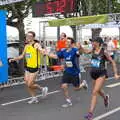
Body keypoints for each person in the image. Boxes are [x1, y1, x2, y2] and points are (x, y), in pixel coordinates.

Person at [78, 37, 119, 120]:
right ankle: (105, 97)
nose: (92, 43)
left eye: (94, 41)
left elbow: (113, 62)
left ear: (98, 43)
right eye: (92, 41)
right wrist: (80, 48)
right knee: (98, 90)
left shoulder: (104, 51)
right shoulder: (92, 50)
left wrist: (115, 74)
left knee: (94, 92)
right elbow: (85, 52)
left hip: (101, 73)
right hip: (93, 73)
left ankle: (90, 113)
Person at [45, 37, 88, 107]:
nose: (66, 43)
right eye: (66, 42)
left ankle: (83, 84)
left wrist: (80, 47)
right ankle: (68, 101)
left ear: (72, 44)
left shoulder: (75, 50)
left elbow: (80, 52)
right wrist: (47, 53)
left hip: (75, 72)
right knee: (64, 86)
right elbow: (56, 56)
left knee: (76, 88)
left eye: (68, 42)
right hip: (67, 71)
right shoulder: (63, 51)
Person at [9, 31, 48, 104]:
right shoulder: (26, 46)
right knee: (27, 83)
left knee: (30, 84)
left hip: (35, 67)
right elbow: (22, 56)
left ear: (33, 37)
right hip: (28, 67)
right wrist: (13, 59)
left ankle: (43, 89)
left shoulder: (36, 44)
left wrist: (42, 51)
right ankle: (34, 98)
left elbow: (40, 49)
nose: (28, 37)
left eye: (30, 36)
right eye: (27, 36)